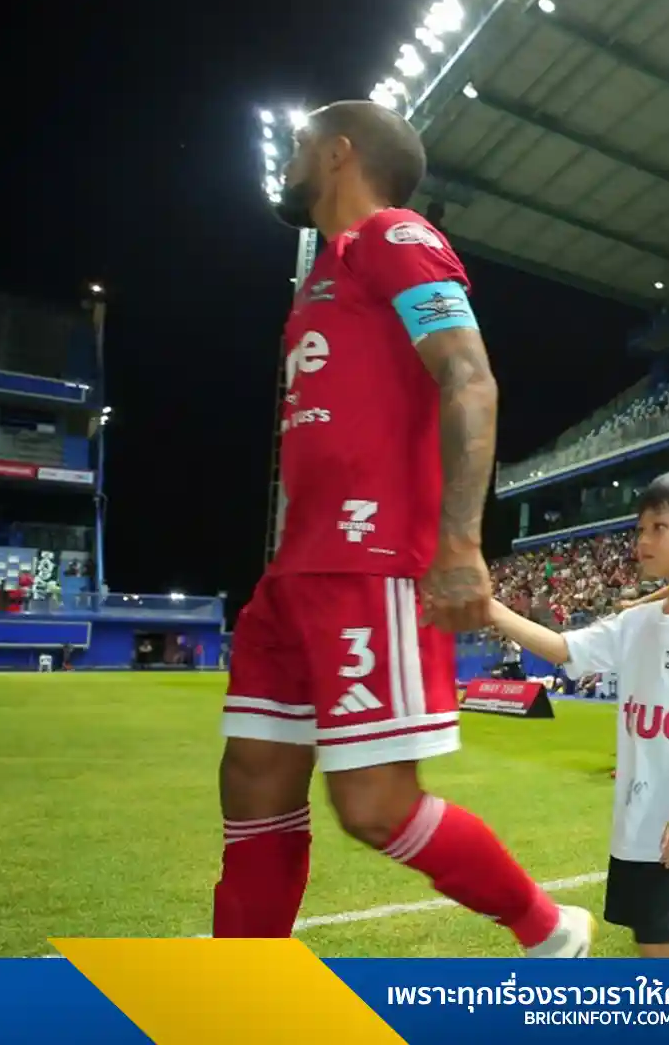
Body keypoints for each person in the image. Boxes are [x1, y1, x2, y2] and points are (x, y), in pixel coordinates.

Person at [215, 101, 588, 953]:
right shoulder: (318, 278)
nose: (288, 160)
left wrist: (459, 541)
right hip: (293, 574)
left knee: (374, 807)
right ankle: (239, 992)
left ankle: (548, 927)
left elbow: (468, 377)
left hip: (369, 557)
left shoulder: (395, 237)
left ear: (341, 153)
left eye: (301, 146)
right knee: (252, 784)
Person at [487, 472, 669, 957]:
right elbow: (565, 648)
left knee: (664, 944)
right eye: (639, 529)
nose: (642, 541)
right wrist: (491, 609)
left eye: (658, 527)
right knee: (655, 939)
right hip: (637, 815)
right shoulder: (638, 621)